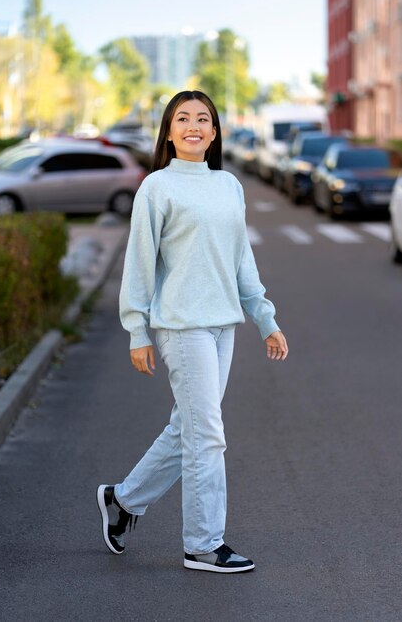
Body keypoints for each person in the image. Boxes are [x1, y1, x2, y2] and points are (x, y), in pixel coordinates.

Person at [97, 90, 288, 573]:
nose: (193, 126)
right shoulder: (156, 188)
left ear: (215, 132)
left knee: (189, 427)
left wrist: (265, 318)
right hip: (181, 327)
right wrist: (136, 330)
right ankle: (203, 543)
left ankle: (122, 500)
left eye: (203, 119)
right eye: (182, 119)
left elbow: (242, 260)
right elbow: (138, 265)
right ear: (168, 131)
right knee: (207, 435)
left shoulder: (228, 186)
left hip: (224, 325)